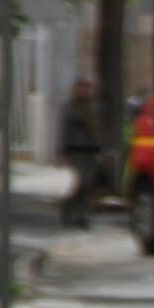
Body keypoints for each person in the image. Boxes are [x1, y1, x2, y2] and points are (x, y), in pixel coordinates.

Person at [58, 79, 102, 229]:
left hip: (90, 149)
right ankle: (69, 209)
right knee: (81, 181)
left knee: (88, 184)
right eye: (82, 89)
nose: (85, 92)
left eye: (87, 89)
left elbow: (96, 130)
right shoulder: (70, 107)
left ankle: (82, 215)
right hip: (75, 149)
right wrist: (62, 151)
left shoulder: (92, 107)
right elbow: (64, 130)